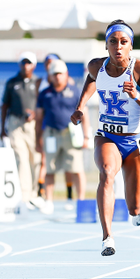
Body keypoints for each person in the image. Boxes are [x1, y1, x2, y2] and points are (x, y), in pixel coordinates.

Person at [71, 19, 140, 256]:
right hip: (107, 135)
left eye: (123, 42)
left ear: (131, 46)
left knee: (134, 208)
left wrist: (137, 96)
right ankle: (107, 238)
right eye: (113, 42)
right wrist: (81, 105)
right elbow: (92, 79)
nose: (118, 47)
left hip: (135, 140)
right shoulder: (96, 66)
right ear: (106, 45)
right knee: (107, 173)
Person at [35, 59, 90, 213]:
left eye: (60, 73)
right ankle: (49, 201)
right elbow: (39, 118)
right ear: (50, 76)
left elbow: (84, 115)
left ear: (66, 74)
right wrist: (37, 138)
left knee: (76, 168)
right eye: (54, 74)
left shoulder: (75, 91)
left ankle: (81, 201)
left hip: (70, 134)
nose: (58, 77)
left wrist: (86, 136)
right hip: (51, 134)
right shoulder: (45, 94)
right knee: (50, 168)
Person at [0, 52, 42, 210]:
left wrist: (35, 114)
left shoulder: (39, 82)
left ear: (34, 65)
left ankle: (34, 194)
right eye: (23, 63)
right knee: (21, 159)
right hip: (15, 123)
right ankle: (24, 196)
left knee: (35, 159)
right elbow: (5, 105)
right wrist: (3, 127)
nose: (26, 66)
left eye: (29, 63)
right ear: (19, 65)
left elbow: (43, 104)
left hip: (33, 125)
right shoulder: (11, 83)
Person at [36, 53, 76, 206]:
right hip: (49, 128)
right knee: (47, 163)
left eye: (52, 62)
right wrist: (38, 133)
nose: (49, 65)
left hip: (66, 131)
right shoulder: (42, 83)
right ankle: (44, 193)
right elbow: (38, 104)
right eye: (47, 63)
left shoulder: (68, 82)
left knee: (70, 165)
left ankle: (70, 194)